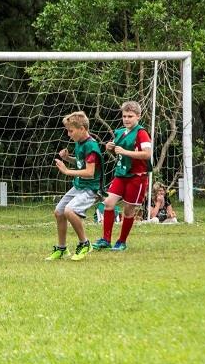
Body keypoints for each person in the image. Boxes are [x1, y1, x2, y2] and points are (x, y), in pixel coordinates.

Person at [93, 101, 152, 251]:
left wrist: (125, 152)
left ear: (138, 116)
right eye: (124, 116)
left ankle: (122, 241)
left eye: (130, 116)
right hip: (121, 174)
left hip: (137, 176)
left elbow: (147, 154)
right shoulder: (119, 132)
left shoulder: (141, 133)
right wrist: (109, 148)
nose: (126, 119)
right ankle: (106, 239)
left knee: (128, 210)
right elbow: (116, 151)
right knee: (108, 203)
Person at [45, 111, 102, 261]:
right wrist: (67, 158)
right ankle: (62, 249)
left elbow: (90, 172)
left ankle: (85, 243)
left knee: (70, 211)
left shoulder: (91, 146)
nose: (69, 134)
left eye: (71, 131)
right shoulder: (79, 143)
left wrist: (66, 171)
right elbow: (80, 163)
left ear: (82, 129)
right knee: (59, 212)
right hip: (79, 186)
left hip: (90, 188)